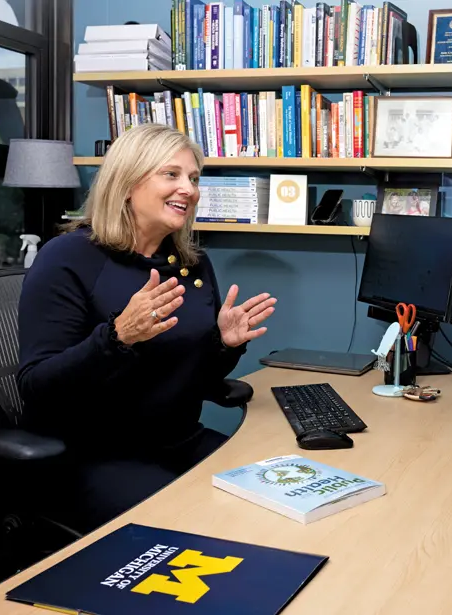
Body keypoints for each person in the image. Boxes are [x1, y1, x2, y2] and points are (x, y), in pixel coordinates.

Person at [16, 123, 276, 533]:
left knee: (276, 500)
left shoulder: (191, 263)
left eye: (193, 178)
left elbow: (195, 379)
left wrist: (224, 344)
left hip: (178, 441)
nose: (188, 189)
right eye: (171, 175)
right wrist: (118, 336)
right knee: (210, 529)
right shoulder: (66, 258)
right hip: (93, 455)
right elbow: (37, 388)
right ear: (127, 182)